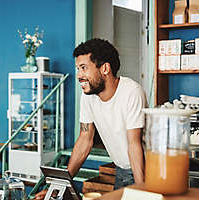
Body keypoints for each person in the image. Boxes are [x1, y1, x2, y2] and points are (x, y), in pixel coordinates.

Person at [34, 38, 147, 199]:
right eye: (78, 69)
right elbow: (85, 139)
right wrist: (58, 187)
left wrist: (143, 189)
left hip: (145, 170)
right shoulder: (88, 95)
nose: (79, 75)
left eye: (84, 68)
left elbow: (134, 144)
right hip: (122, 169)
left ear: (105, 68)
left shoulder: (132, 91)